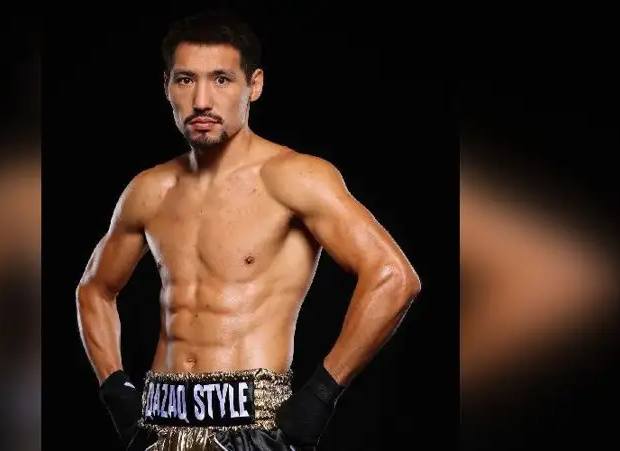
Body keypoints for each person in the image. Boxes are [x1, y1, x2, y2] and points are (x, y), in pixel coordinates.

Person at [76, 10, 420, 451]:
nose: (202, 100)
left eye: (221, 79)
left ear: (254, 85)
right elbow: (94, 289)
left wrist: (320, 395)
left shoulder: (293, 177)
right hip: (157, 424)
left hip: (252, 426)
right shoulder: (149, 190)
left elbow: (393, 278)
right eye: (185, 80)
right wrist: (116, 392)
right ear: (167, 86)